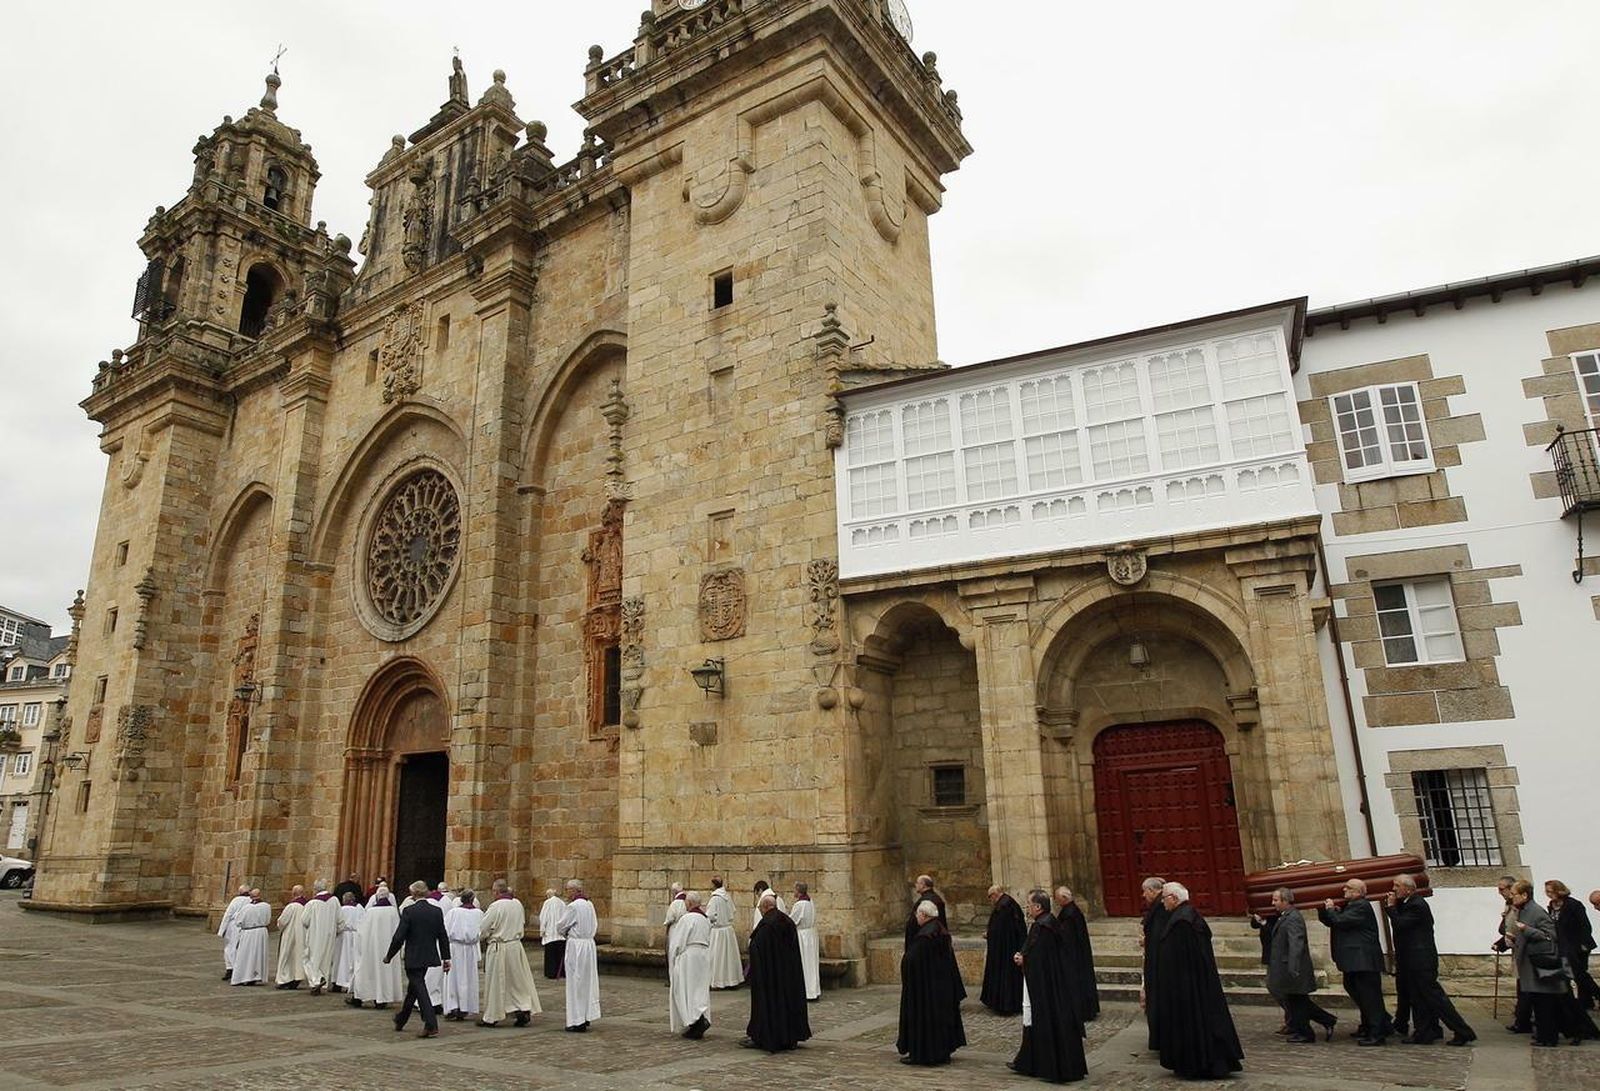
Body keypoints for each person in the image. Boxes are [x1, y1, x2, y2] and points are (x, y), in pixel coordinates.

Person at [1152, 881, 1244, 1079]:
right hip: (1188, 984)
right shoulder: (1184, 917)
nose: (1163, 902)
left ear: (1174, 898)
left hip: (1188, 986)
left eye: (1165, 898)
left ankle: (1199, 1063)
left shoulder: (1183, 922)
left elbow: (1185, 958)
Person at [1386, 874, 1475, 1046]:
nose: (1394, 889)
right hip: (1413, 960)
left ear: (1408, 889)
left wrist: (1391, 908)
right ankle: (1426, 1031)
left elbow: (1401, 925)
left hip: (1421, 961)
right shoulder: (1408, 904)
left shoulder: (1417, 905)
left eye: (1397, 886)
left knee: (1435, 998)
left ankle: (1463, 1031)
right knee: (1419, 998)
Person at [1008, 889, 1087, 1083]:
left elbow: (1040, 957)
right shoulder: (1050, 922)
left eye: (1029, 904)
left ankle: (1052, 1066)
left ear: (1038, 906)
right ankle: (1028, 1061)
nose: (1027, 908)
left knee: (1045, 1022)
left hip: (1047, 987)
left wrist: (1022, 959)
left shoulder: (1042, 926)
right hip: (1056, 984)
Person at [1319, 877, 1392, 1045]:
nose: (1344, 890)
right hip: (1355, 961)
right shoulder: (1351, 906)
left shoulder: (1361, 906)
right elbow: (1331, 921)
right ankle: (1373, 1025)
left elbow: (1340, 921)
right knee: (1358, 992)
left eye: (1348, 888)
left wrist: (1331, 909)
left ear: (1358, 892)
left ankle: (1377, 1033)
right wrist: (1323, 909)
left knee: (1369, 997)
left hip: (1363, 960)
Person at [897, 897, 966, 1066]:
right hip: (940, 986)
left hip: (926, 988)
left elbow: (912, 960)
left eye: (918, 914)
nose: (916, 918)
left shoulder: (925, 936)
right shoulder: (939, 929)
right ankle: (942, 1051)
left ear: (923, 914)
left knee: (926, 1019)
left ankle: (925, 1054)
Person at [743, 891, 812, 1052]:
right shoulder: (786, 920)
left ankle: (768, 1035)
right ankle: (791, 1036)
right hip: (789, 974)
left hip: (771, 976)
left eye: (760, 908)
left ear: (766, 907)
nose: (760, 911)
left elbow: (756, 948)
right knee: (789, 1002)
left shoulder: (766, 925)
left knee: (770, 1004)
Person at [384, 880, 452, 1038]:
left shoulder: (409, 911)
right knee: (413, 989)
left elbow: (399, 936)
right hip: (429, 955)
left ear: (413, 894)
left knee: (419, 988)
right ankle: (401, 1019)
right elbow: (442, 935)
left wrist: (389, 955)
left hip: (413, 956)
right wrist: (446, 957)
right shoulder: (436, 911)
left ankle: (431, 1023)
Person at [1268, 887, 1336, 1042]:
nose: (1273, 903)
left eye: (1276, 900)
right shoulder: (1285, 916)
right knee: (1296, 1000)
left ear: (1285, 901)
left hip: (1293, 967)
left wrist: (1293, 965)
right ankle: (1324, 1021)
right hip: (1287, 966)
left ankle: (1306, 1032)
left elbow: (1295, 943)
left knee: (1297, 1001)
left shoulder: (1293, 918)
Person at [1508, 878, 1570, 1047]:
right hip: (1529, 963)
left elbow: (1549, 935)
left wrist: (1526, 930)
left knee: (1544, 1004)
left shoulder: (1536, 911)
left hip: (1539, 964)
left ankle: (1548, 1037)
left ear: (1524, 895)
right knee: (1538, 1002)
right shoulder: (1523, 910)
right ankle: (1544, 1034)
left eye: (1514, 894)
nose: (1511, 897)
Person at [478, 879, 540, 1028]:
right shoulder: (517, 904)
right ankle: (521, 1009)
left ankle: (491, 1016)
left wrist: (482, 936)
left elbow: (483, 927)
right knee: (516, 982)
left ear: (497, 891)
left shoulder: (496, 906)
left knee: (497, 982)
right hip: (515, 946)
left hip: (500, 947)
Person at [1547, 879, 1600, 1018]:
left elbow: (1585, 925)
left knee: (1580, 973)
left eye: (1551, 891)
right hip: (1563, 945)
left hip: (1578, 944)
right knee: (1576, 974)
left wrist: (1583, 944)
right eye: (1547, 892)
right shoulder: (1551, 906)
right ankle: (1586, 1001)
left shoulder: (1573, 905)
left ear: (1559, 890)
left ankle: (1595, 995)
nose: (1548, 894)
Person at [349, 884, 405, 1009]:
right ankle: (382, 999)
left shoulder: (371, 912)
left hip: (372, 948)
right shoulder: (393, 912)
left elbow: (362, 931)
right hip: (388, 949)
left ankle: (364, 996)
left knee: (369, 971)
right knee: (385, 973)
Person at [558, 878, 602, 1032]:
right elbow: (595, 924)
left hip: (576, 946)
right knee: (587, 981)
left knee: (575, 982)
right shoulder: (589, 905)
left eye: (568, 890)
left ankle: (577, 1020)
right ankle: (586, 1015)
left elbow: (561, 925)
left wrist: (566, 933)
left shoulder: (573, 907)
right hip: (589, 945)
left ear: (575, 890)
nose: (567, 893)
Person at [668, 890, 713, 1039]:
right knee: (699, 990)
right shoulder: (705, 919)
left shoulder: (687, 919)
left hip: (689, 957)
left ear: (689, 903)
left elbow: (677, 942)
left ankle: (695, 1021)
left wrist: (673, 958)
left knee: (686, 989)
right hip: (703, 956)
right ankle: (699, 1017)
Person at [1054, 886, 1100, 1022]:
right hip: (1077, 954)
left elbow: (1066, 937)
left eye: (1057, 898)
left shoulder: (1070, 914)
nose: (1056, 902)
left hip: (1074, 957)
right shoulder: (1071, 912)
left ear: (1064, 898)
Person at [1492, 875, 1531, 1034]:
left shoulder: (1521, 907)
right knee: (1522, 986)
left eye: (1502, 889)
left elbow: (1517, 929)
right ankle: (1522, 1019)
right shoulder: (1510, 905)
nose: (1499, 892)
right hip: (1517, 949)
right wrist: (1501, 943)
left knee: (1525, 987)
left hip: (1525, 952)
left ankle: (1523, 1020)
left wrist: (1503, 941)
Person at [980, 884, 1026, 1015]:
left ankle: (1006, 1005)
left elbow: (1001, 930)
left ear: (995, 894)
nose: (990, 900)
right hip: (1008, 947)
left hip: (1005, 949)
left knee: (1006, 976)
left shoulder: (1004, 907)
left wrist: (989, 934)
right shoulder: (1008, 904)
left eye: (990, 897)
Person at [443, 889, 484, 1021]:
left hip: (456, 948)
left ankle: (453, 1006)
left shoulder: (453, 913)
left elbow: (445, 929)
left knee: (454, 978)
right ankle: (464, 1006)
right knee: (467, 977)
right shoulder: (479, 913)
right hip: (469, 949)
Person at [1139, 876, 1168, 1050]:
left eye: (1145, 891)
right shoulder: (1158, 908)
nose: (1143, 895)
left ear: (1152, 891)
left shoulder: (1161, 909)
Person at [302, 881, 339, 996]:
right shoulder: (335, 901)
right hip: (329, 934)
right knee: (325, 959)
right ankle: (321, 981)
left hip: (315, 934)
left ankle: (317, 980)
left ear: (315, 889)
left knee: (310, 958)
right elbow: (341, 919)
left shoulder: (312, 903)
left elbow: (304, 920)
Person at [708, 877, 743, 989]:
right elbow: (732, 910)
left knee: (717, 957)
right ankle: (731, 981)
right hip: (728, 930)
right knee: (729, 958)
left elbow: (711, 915)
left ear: (714, 885)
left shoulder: (714, 898)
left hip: (718, 931)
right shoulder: (727, 896)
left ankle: (717, 982)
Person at [231, 889, 272, 986]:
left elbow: (238, 921)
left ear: (251, 896)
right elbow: (269, 919)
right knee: (258, 955)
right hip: (261, 933)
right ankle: (256, 975)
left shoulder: (246, 908)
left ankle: (245, 976)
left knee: (246, 956)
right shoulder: (267, 906)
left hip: (248, 933)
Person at [791, 882, 822, 1002]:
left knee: (804, 963)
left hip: (803, 936)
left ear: (798, 891)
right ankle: (814, 990)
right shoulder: (810, 902)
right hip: (811, 935)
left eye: (794, 890)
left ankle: (807, 991)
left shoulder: (800, 904)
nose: (793, 892)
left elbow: (792, 920)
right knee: (811, 963)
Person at [274, 885, 309, 989]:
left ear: (293, 894)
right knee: (297, 956)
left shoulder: (292, 906)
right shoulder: (307, 905)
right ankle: (296, 978)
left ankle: (285, 979)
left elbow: (282, 921)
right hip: (302, 935)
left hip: (289, 935)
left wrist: (279, 926)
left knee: (287, 956)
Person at [216, 884, 251, 981]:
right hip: (245, 927)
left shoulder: (235, 900)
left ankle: (230, 968)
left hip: (233, 926)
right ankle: (240, 969)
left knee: (230, 947)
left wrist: (222, 930)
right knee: (240, 948)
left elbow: (228, 914)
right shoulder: (251, 901)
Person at [903, 874, 947, 949]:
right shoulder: (933, 898)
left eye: (917, 883)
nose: (915, 885)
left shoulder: (928, 900)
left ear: (923, 885)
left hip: (926, 942)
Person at [332, 891, 363, 993]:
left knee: (339, 960)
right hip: (355, 935)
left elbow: (337, 922)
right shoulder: (359, 909)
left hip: (342, 936)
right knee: (351, 960)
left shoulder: (341, 909)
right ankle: (350, 983)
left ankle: (337, 983)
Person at [538, 887, 567, 980]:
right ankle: (561, 972)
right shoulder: (562, 903)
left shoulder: (547, 903)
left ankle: (551, 973)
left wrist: (542, 930)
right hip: (560, 933)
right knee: (560, 954)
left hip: (550, 933)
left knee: (551, 955)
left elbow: (543, 917)